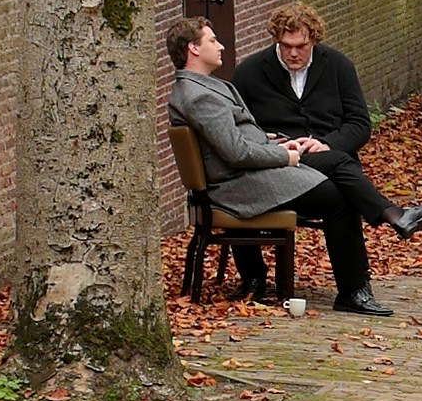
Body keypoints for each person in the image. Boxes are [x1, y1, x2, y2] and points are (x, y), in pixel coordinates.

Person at [167, 22, 393, 316]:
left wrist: (273, 142)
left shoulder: (206, 87)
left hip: (248, 173)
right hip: (238, 185)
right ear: (194, 48)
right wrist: (283, 155)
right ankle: (354, 288)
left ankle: (362, 272)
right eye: (213, 40)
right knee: (338, 197)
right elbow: (235, 152)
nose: (220, 46)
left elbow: (238, 137)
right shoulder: (201, 95)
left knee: (337, 171)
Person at [235, 6, 422, 237]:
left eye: (301, 46)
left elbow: (359, 123)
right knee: (343, 187)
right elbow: (237, 128)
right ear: (276, 40)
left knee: (340, 183)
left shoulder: (338, 66)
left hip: (332, 166)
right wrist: (273, 145)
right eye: (286, 46)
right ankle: (393, 215)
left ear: (314, 40)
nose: (294, 53)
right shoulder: (249, 72)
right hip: (281, 167)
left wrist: (327, 144)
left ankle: (368, 253)